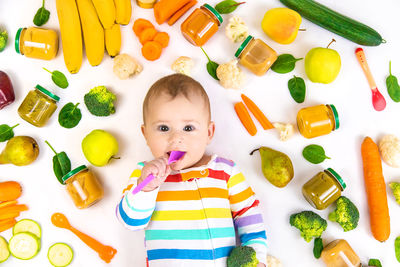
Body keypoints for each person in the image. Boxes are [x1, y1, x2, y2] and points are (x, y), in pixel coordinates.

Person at [116, 73, 267, 266]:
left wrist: (257, 257)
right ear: (146, 134)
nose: (176, 138)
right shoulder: (145, 174)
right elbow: (129, 221)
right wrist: (146, 188)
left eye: (188, 128)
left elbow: (248, 214)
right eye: (163, 128)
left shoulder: (225, 172)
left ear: (208, 133)